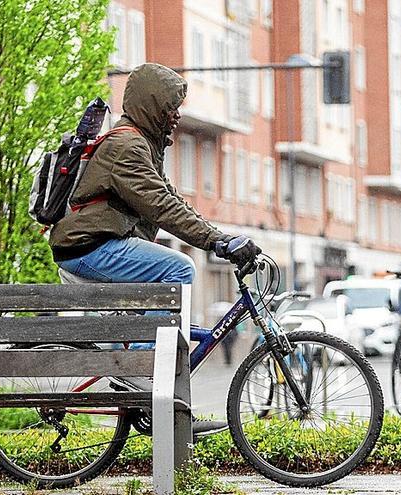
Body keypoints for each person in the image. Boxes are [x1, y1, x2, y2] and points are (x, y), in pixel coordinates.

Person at [49, 63, 261, 436]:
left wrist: (221, 236)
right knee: (179, 269)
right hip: (90, 248)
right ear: (152, 105)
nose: (177, 114)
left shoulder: (140, 143)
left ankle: (148, 388)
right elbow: (161, 207)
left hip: (97, 245)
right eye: (171, 106)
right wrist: (216, 242)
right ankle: (145, 376)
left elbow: (173, 201)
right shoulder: (127, 146)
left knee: (144, 328)